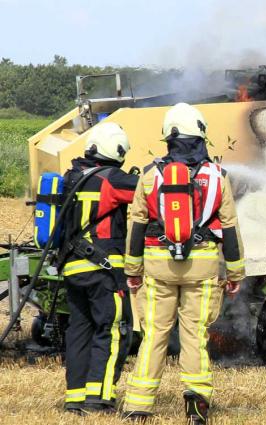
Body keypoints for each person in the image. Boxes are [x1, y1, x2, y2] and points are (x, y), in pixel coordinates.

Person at [122, 103, 245, 424]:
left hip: (157, 267)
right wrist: (235, 272)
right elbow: (230, 228)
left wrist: (133, 271)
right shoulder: (218, 176)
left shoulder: (149, 176)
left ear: (168, 138)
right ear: (202, 136)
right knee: (194, 335)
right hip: (201, 268)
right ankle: (196, 403)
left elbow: (136, 225)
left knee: (154, 335)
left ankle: (138, 405)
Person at [61, 122, 137, 415]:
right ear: (117, 150)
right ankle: (99, 398)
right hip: (103, 269)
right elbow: (149, 194)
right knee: (113, 329)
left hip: (72, 268)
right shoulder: (112, 179)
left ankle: (75, 399)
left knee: (79, 331)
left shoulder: (71, 176)